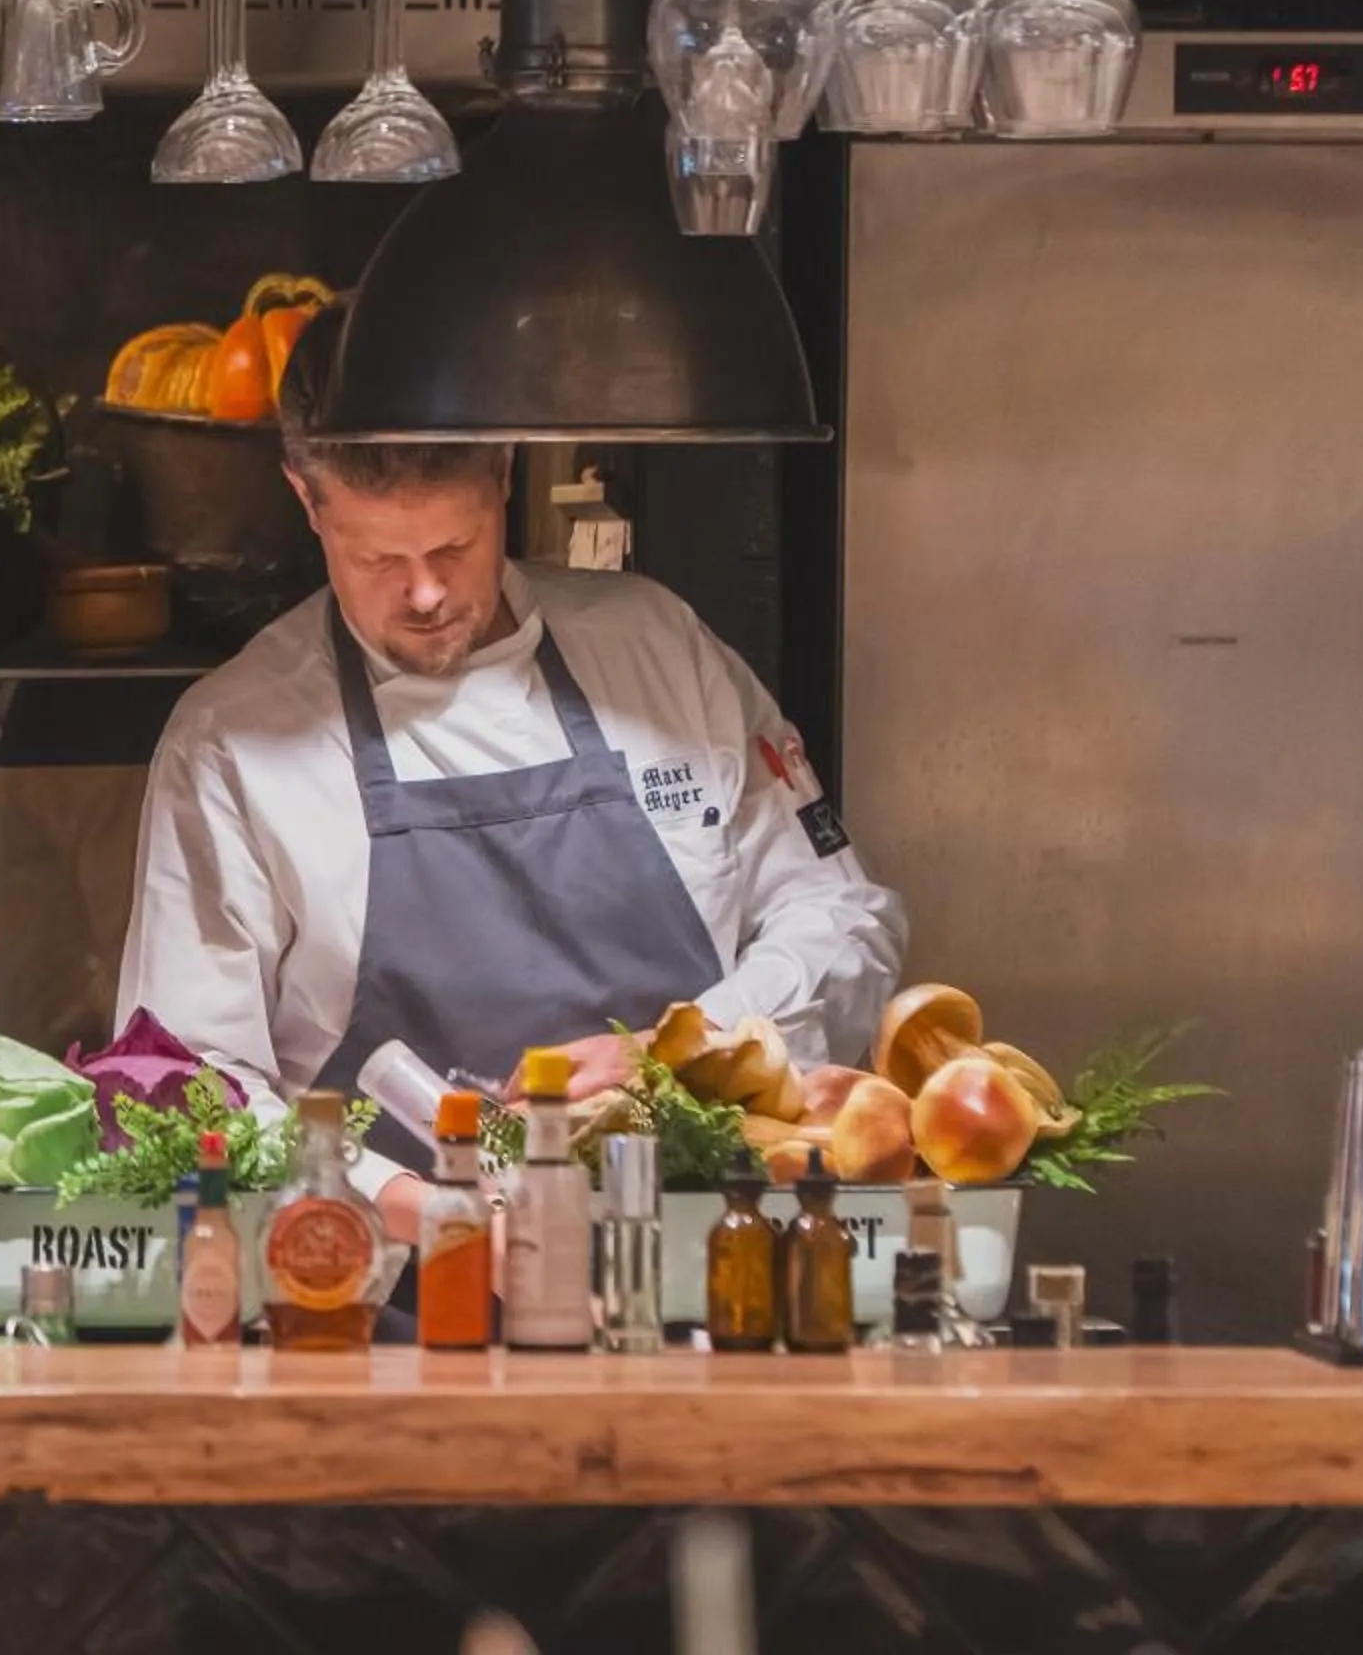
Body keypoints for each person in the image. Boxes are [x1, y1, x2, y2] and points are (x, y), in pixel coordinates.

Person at [115, 346, 906, 1245]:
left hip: (700, 1284)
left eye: (454, 547)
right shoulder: (234, 742)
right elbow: (184, 1077)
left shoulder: (658, 652)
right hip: (391, 1310)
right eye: (375, 555)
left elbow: (848, 923)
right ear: (305, 497)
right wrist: (413, 1206)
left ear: (504, 471)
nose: (423, 593)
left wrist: (681, 1052)